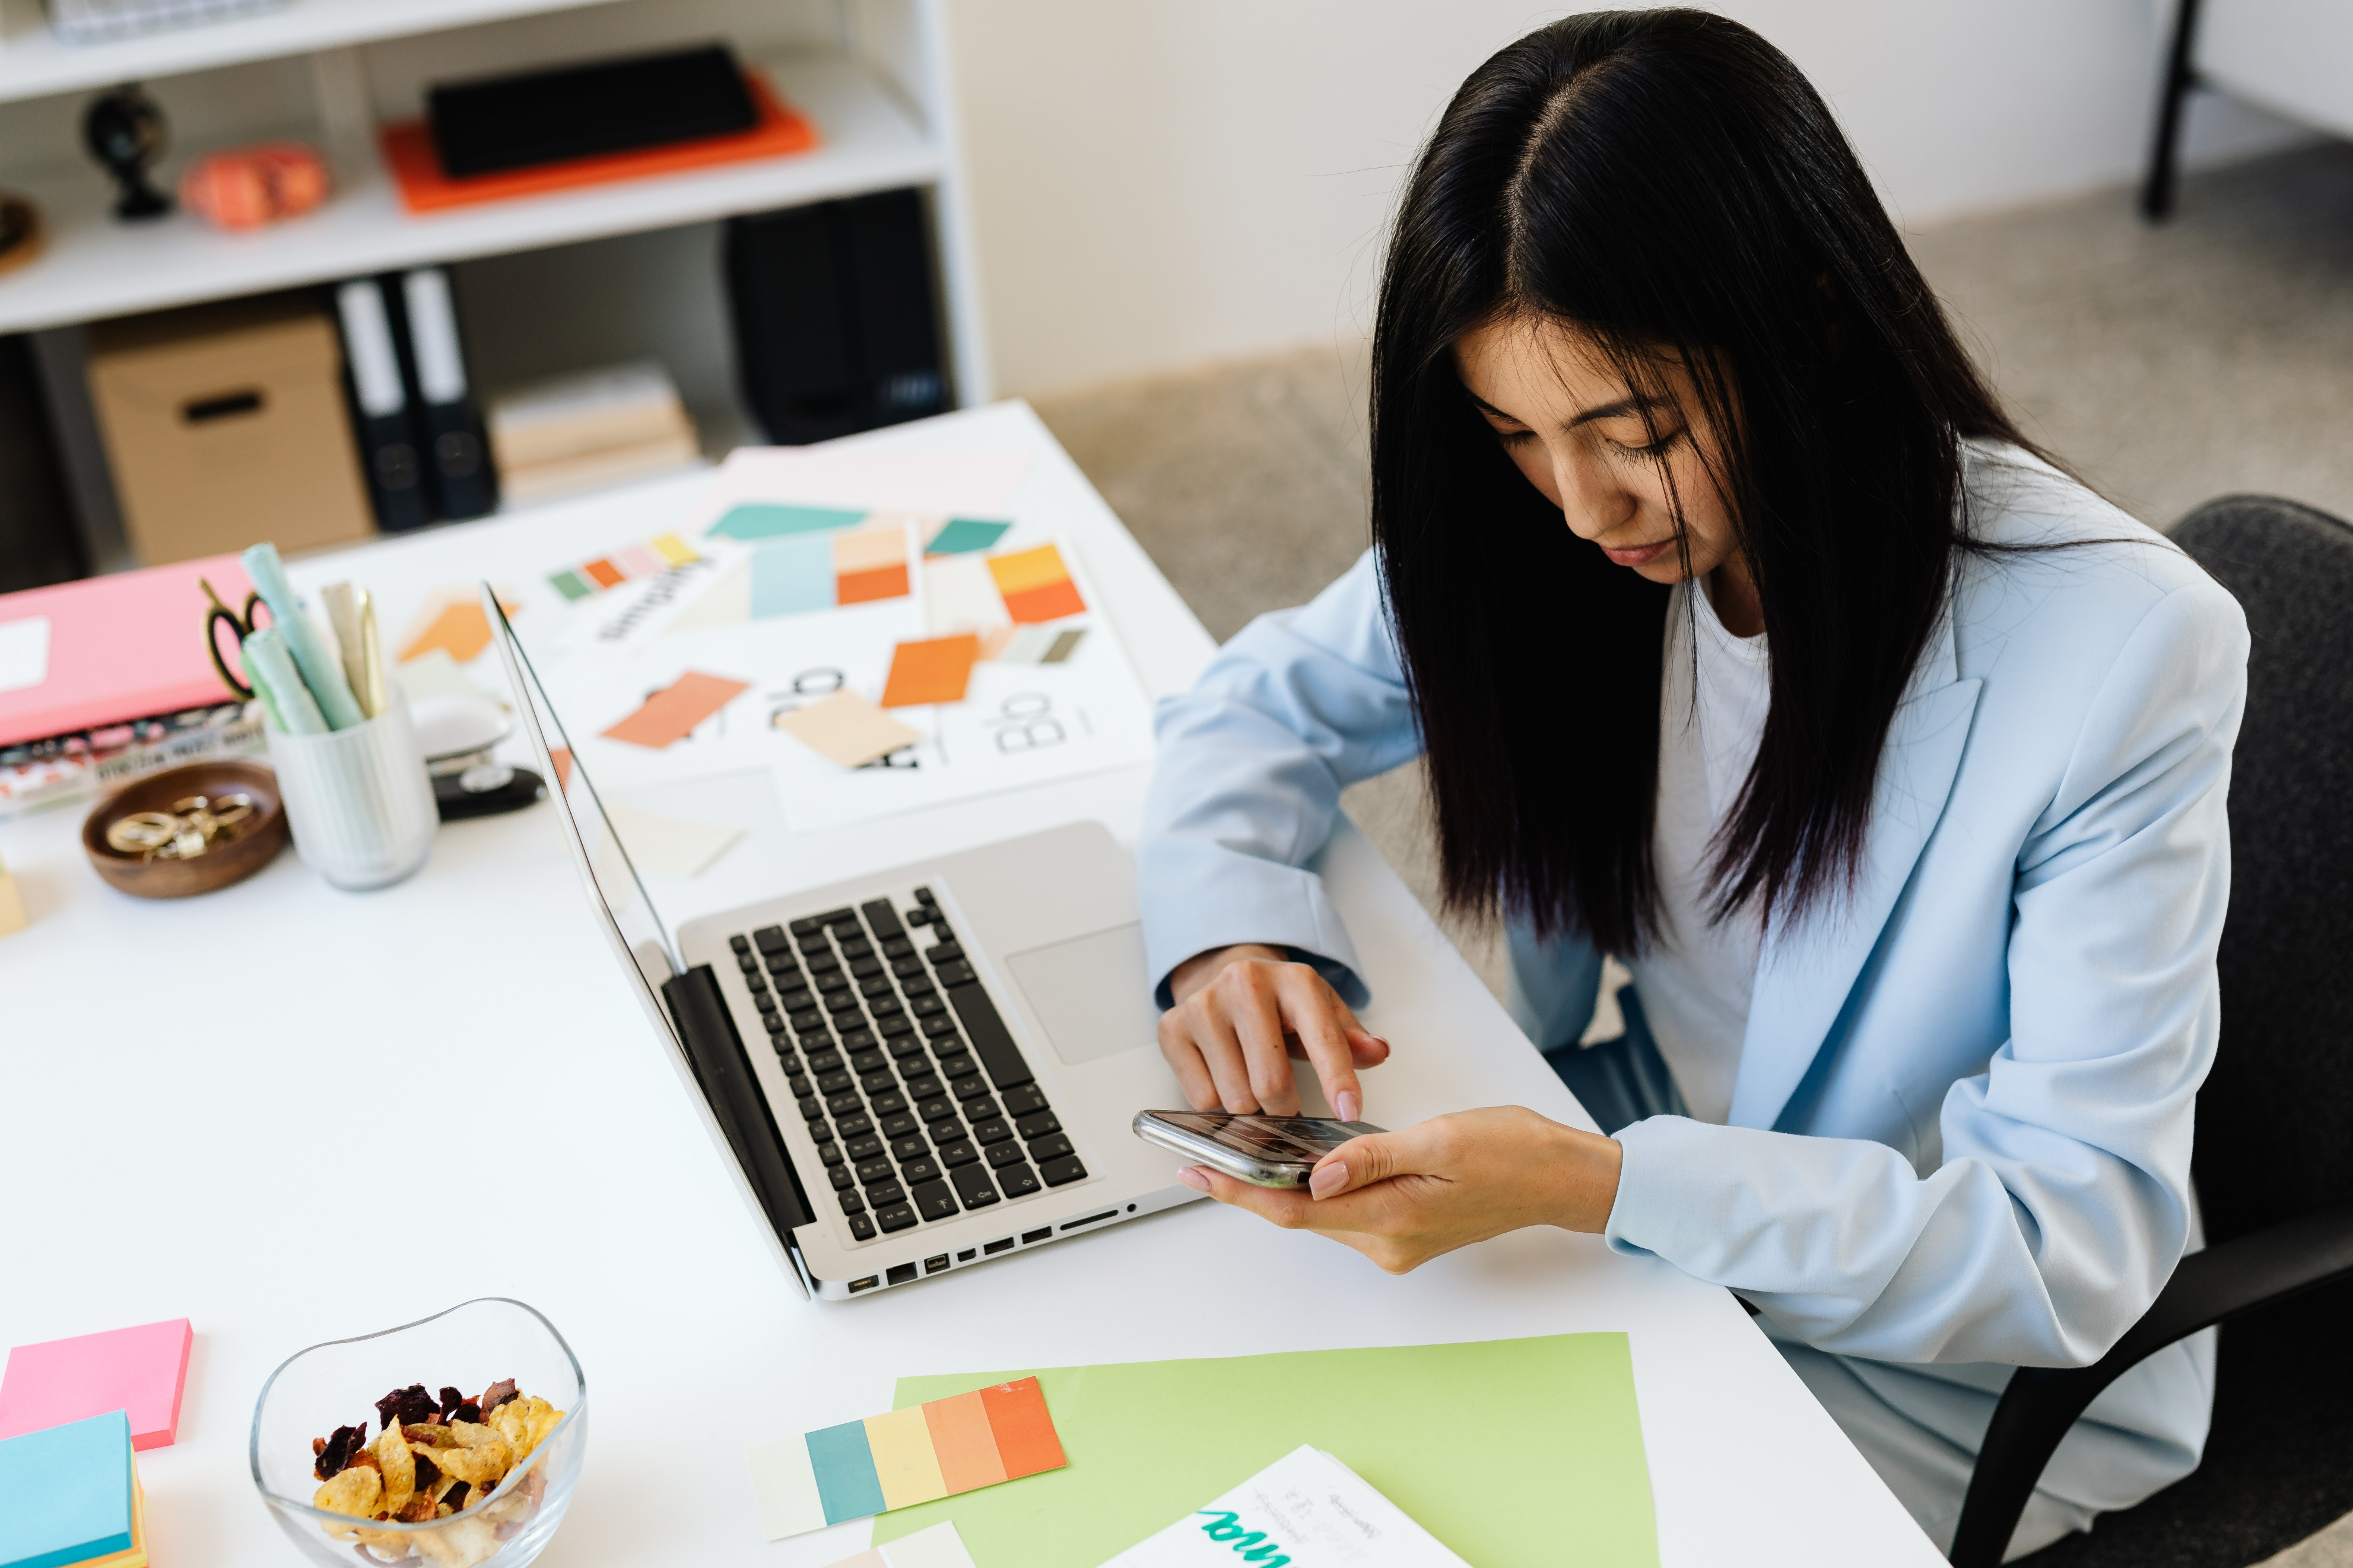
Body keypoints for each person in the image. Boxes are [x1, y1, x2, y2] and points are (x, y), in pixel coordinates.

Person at [1136, 10, 2248, 1560]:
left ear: (1812, 323)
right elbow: (1252, 706)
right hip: (1634, 1154)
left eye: (1633, 430)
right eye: (1516, 433)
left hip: (1938, 1353)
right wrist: (1227, 935)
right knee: (1218, 1362)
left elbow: (2066, 1248)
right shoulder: (1564, 532)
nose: (1582, 503)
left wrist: (1602, 1188)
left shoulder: (2121, 650)